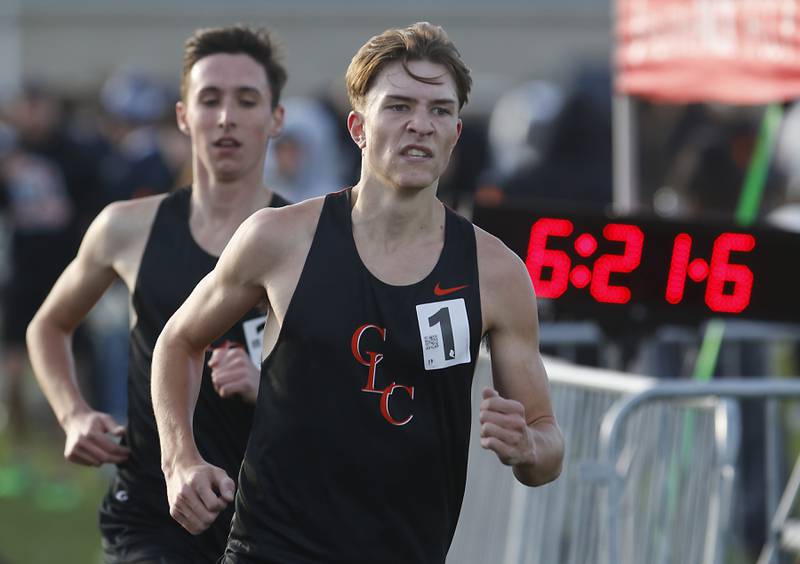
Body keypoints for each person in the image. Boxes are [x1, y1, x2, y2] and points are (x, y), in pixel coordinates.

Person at [152, 21, 564, 563]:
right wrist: (179, 459)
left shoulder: (496, 271)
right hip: (272, 551)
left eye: (439, 110)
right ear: (358, 127)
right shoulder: (278, 239)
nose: (420, 125)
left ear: (456, 133)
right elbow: (178, 341)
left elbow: (546, 441)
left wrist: (528, 447)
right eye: (398, 106)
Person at [25, 24, 289, 563]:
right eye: (209, 99)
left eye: (246, 100)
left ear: (275, 119)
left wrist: (266, 386)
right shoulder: (127, 229)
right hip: (151, 511)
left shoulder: (307, 240)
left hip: (267, 510)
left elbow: (340, 386)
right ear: (182, 116)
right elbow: (48, 325)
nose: (226, 117)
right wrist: (73, 413)